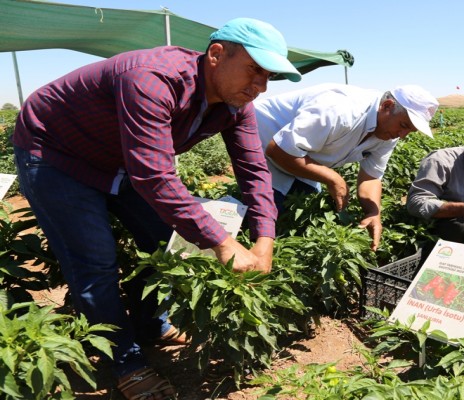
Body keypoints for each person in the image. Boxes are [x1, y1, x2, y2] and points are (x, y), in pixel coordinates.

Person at [12, 18, 301, 399]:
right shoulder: (151, 77)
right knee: (95, 262)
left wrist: (265, 237)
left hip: (121, 160)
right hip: (57, 155)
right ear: (216, 55)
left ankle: (151, 326)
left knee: (162, 243)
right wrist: (225, 244)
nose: (259, 87)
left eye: (269, 78)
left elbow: (253, 169)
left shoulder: (236, 105)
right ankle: (125, 363)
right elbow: (153, 176)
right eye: (254, 70)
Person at [253, 83, 438, 251]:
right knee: (264, 212)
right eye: (404, 125)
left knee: (302, 211)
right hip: (262, 139)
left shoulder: (390, 132)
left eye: (409, 131)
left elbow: (371, 176)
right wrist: (332, 177)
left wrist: (373, 212)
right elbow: (277, 150)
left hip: (304, 153)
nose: (403, 135)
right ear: (387, 106)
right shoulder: (341, 110)